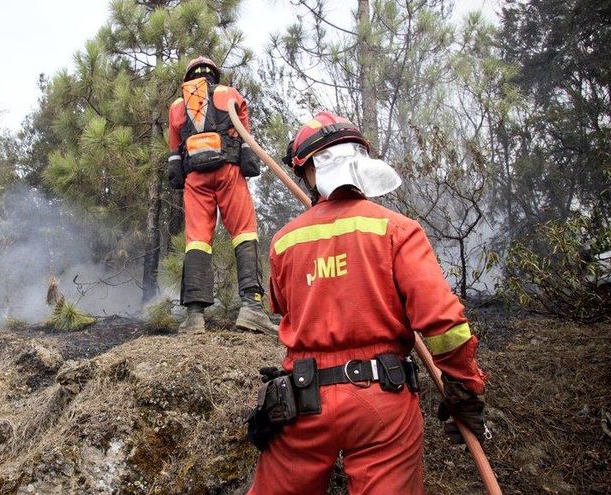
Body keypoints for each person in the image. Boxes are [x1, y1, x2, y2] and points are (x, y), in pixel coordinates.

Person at [247, 111, 488, 494]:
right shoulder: (398, 230)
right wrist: (464, 386)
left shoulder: (285, 241)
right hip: (382, 399)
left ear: (307, 171)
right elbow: (444, 323)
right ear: (362, 161)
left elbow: (280, 306)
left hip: (301, 398)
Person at [167, 56, 276, 335]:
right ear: (214, 74)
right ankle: (252, 307)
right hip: (228, 172)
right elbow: (245, 135)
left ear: (189, 76)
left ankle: (194, 317)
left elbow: (174, 150)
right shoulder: (228, 93)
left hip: (195, 179)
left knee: (197, 241)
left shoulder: (178, 106)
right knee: (243, 233)